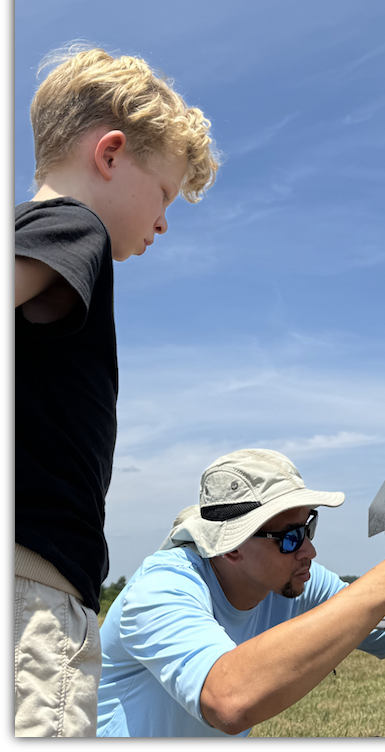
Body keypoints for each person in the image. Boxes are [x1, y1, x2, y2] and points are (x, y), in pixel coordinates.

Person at [15, 45, 219, 738]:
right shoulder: (74, 227)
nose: (162, 222)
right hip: (36, 589)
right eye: (163, 194)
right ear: (110, 154)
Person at [97, 448, 385, 737]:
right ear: (231, 546)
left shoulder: (292, 582)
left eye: (309, 528)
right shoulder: (161, 589)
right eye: (290, 537)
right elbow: (228, 701)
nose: (309, 550)